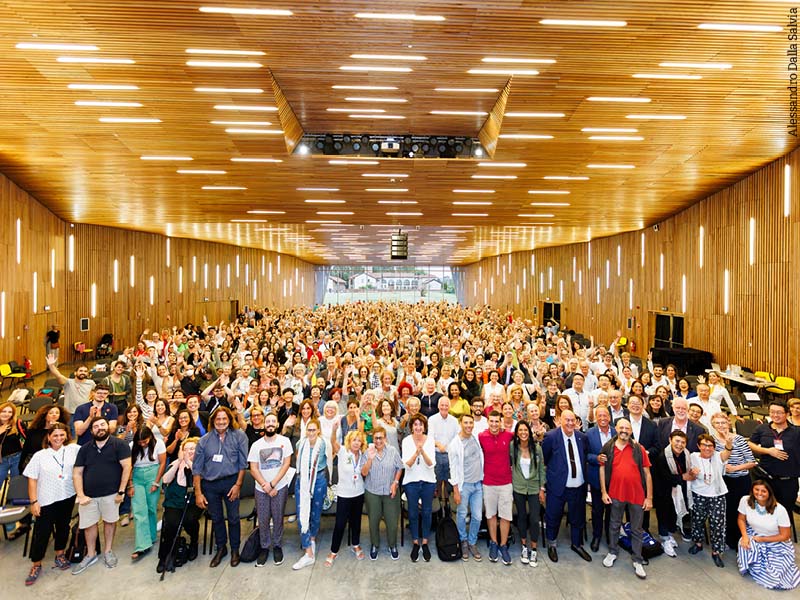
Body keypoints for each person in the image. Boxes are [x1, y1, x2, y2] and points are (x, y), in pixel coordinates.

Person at [71, 417, 132, 574]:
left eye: (102, 425)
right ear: (92, 431)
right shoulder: (84, 449)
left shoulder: (120, 445)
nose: (100, 428)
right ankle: (91, 554)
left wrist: (121, 491)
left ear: (108, 426)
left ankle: (108, 551)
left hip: (111, 494)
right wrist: (80, 495)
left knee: (110, 522)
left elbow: (127, 467)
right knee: (89, 525)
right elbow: (77, 473)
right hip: (88, 496)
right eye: (96, 426)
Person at [23, 424, 79, 585]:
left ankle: (60, 555)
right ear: (48, 437)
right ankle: (36, 564)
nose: (58, 438)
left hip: (67, 496)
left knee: (63, 527)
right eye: (55, 435)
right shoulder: (40, 455)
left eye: (62, 435)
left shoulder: (73, 450)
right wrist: (34, 501)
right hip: (46, 500)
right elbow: (32, 479)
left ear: (66, 436)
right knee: (42, 532)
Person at [193, 406, 249, 568]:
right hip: (210, 485)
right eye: (218, 419)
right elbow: (196, 469)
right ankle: (221, 548)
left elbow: (243, 464)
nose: (221, 422)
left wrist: (238, 485)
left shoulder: (239, 436)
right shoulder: (204, 441)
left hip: (231, 483)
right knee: (216, 518)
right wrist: (198, 493)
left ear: (229, 420)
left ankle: (235, 549)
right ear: (213, 421)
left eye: (224, 418)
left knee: (233, 518)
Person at [599, 419, 653, 580]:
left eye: (627, 428)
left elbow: (647, 474)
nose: (624, 430)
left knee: (637, 529)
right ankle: (612, 551)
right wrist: (603, 492)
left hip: (637, 495)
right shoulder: (608, 447)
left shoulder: (639, 449)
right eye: (621, 427)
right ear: (615, 429)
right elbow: (602, 470)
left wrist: (649, 497)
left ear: (631, 431)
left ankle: (637, 559)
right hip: (615, 494)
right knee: (614, 524)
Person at [542, 410, 591, 563]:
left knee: (577, 517)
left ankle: (576, 544)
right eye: (567, 420)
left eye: (572, 420)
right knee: (553, 516)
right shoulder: (551, 437)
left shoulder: (582, 437)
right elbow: (545, 459)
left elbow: (584, 456)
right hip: (558, 486)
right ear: (560, 421)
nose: (570, 423)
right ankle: (552, 544)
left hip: (578, 486)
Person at [737, 480, 800, 590]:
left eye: (763, 491)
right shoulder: (745, 500)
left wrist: (762, 539)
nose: (759, 493)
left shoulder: (780, 510)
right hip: (754, 534)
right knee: (743, 543)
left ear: (770, 492)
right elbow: (741, 519)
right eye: (756, 489)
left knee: (776, 576)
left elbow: (785, 536)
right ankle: (753, 566)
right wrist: (745, 536)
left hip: (776, 541)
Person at [749, 400, 800, 534]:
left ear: (787, 414)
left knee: (784, 512)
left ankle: (781, 536)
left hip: (788, 481)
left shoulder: (796, 432)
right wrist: (767, 451)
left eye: (779, 412)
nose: (775, 415)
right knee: (763, 510)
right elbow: (751, 444)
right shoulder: (762, 429)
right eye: (772, 412)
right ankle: (763, 534)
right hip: (766, 479)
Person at [248, 412, 292, 567]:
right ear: (264, 424)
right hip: (261, 489)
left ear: (278, 424)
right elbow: (253, 468)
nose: (271, 424)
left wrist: (272, 484)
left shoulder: (285, 441)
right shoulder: (256, 445)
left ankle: (277, 545)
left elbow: (286, 464)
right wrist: (265, 486)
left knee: (278, 517)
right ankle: (265, 547)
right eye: (268, 421)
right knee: (263, 519)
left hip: (279, 487)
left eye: (273, 421)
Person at [709, 412, 756, 549]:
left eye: (723, 422)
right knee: (725, 511)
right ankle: (727, 539)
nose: (721, 425)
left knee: (739, 511)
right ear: (713, 425)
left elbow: (752, 462)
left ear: (729, 423)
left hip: (740, 480)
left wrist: (735, 468)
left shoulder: (739, 439)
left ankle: (739, 539)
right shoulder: (712, 440)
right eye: (717, 423)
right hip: (722, 480)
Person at [687, 433, 733, 567]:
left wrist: (728, 445)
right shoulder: (693, 456)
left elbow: (726, 454)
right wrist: (692, 473)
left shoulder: (717, 456)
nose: (707, 448)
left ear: (714, 447)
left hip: (717, 495)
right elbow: (688, 472)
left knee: (717, 524)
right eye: (704, 445)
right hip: (698, 493)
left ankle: (716, 552)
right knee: (697, 520)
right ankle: (698, 544)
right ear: (698, 446)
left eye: (710, 446)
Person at [325, 427, 368, 566]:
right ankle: (334, 551)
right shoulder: (343, 451)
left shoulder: (363, 454)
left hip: (359, 492)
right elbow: (333, 441)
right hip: (344, 494)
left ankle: (356, 545)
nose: (356, 443)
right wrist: (334, 430)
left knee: (356, 522)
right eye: (354, 440)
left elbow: (364, 472)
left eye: (359, 441)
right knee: (340, 524)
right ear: (349, 441)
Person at [157, 437, 201, 573]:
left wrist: (188, 462)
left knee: (189, 519)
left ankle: (194, 542)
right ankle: (164, 556)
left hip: (193, 502)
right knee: (171, 523)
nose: (189, 451)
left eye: (192, 449)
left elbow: (200, 479)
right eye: (185, 449)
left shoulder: (201, 464)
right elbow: (165, 480)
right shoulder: (175, 464)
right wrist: (179, 462)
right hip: (174, 502)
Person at [362, 424, 404, 560]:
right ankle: (375, 544)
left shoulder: (392, 451)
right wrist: (370, 459)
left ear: (385, 438)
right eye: (376, 438)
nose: (378, 441)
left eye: (381, 438)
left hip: (390, 491)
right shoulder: (367, 452)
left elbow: (399, 467)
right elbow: (364, 473)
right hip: (372, 492)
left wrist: (395, 482)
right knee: (373, 521)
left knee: (392, 522)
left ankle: (392, 545)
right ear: (372, 439)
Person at [478, 411, 515, 565]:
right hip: (488, 482)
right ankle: (493, 542)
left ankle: (503, 545)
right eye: (491, 421)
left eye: (496, 421)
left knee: (505, 516)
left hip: (506, 482)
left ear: (501, 422)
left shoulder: (509, 435)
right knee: (491, 514)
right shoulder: (481, 436)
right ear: (488, 422)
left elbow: (526, 440)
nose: (494, 424)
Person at [651, 430, 695, 557]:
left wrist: (691, 473)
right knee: (664, 515)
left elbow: (687, 471)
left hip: (678, 491)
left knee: (674, 514)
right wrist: (683, 477)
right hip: (663, 491)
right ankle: (665, 539)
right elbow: (665, 477)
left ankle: (670, 535)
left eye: (683, 442)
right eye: (677, 441)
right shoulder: (662, 456)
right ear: (670, 440)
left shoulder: (686, 454)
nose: (680, 445)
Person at [448, 413, 484, 562]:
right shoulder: (455, 444)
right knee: (462, 514)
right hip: (464, 486)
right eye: (466, 423)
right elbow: (453, 468)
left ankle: (472, 541)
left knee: (477, 516)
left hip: (478, 484)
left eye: (471, 423)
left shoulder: (476, 438)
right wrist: (456, 490)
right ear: (460, 424)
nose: (469, 425)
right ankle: (463, 540)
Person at [292, 418, 328, 570]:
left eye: (314, 430)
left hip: (319, 479)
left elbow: (330, 459)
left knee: (315, 513)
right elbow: (298, 460)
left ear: (318, 431)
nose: (311, 432)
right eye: (309, 429)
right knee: (302, 514)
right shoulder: (300, 444)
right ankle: (308, 553)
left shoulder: (324, 444)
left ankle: (312, 538)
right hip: (302, 480)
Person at [128, 425, 167, 561]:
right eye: (140, 442)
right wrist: (130, 484)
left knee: (151, 508)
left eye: (145, 441)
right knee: (139, 510)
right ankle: (142, 545)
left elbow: (162, 463)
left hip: (153, 474)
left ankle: (151, 536)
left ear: (150, 437)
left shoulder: (159, 443)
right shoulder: (132, 446)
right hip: (137, 476)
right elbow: (129, 466)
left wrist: (156, 482)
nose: (143, 444)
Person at [510, 420, 545, 567]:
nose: (523, 433)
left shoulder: (537, 448)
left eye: (525, 430)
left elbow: (541, 469)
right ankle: (524, 546)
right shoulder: (513, 447)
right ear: (517, 433)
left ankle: (534, 548)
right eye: (520, 430)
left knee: (534, 519)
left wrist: (542, 488)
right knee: (522, 516)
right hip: (518, 487)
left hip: (534, 487)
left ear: (529, 432)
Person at [402, 414, 436, 562]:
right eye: (415, 425)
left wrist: (422, 452)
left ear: (424, 427)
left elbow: (431, 464)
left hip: (428, 481)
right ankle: (416, 542)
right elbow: (407, 465)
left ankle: (425, 542)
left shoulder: (430, 440)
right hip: (411, 481)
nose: (418, 427)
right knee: (413, 512)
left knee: (427, 512)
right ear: (411, 427)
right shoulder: (406, 441)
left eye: (420, 425)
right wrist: (416, 453)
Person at [587, 406, 615, 552]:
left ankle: (610, 536)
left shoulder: (616, 432)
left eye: (605, 415)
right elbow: (585, 454)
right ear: (596, 417)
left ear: (609, 417)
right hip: (596, 477)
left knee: (612, 510)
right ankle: (597, 536)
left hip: (614, 478)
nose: (603, 418)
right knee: (597, 510)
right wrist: (596, 458)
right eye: (600, 416)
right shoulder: (589, 433)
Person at [20, 404, 71, 469]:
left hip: (54, 464)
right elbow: (26, 449)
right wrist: (21, 466)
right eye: (51, 413)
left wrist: (57, 428)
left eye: (57, 413)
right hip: (36, 463)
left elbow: (65, 446)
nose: (54, 414)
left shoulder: (62, 431)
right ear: (44, 415)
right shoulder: (33, 430)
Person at [428, 396, 460, 502]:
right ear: (438, 406)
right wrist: (438, 444)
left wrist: (447, 447)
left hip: (450, 454)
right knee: (436, 478)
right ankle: (437, 501)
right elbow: (430, 437)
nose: (444, 407)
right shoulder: (432, 419)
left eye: (446, 405)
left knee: (448, 479)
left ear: (449, 407)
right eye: (442, 405)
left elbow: (457, 437)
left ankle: (447, 500)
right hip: (436, 453)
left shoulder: (454, 421)